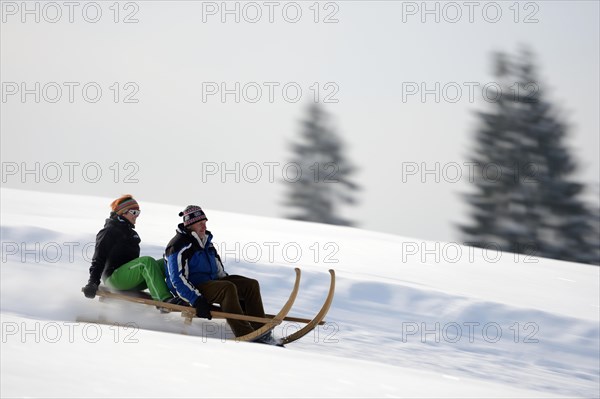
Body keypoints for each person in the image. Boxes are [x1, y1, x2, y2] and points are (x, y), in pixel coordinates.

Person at [164, 205, 278, 344]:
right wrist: (196, 300)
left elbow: (220, 273)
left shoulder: (206, 243)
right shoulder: (178, 245)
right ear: (190, 225)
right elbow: (177, 280)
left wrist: (237, 295)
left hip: (211, 283)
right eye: (200, 224)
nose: (204, 227)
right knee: (227, 288)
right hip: (192, 289)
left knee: (250, 285)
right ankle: (245, 333)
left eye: (205, 223)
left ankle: (261, 330)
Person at [82, 195, 179, 305]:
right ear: (123, 212)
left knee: (167, 262)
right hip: (113, 279)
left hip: (129, 280)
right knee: (146, 262)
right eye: (134, 212)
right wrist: (92, 283)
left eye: (138, 213)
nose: (136, 216)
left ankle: (181, 295)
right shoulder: (108, 232)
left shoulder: (132, 234)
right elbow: (98, 259)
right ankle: (163, 300)